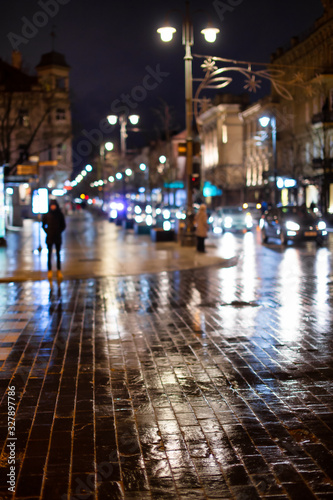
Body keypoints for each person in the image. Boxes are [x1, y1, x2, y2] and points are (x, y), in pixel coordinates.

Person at [42, 199, 66, 280]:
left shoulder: (60, 215)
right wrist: (47, 232)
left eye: (54, 205)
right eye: (51, 205)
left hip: (57, 237)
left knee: (58, 254)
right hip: (49, 237)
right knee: (49, 255)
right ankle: (49, 271)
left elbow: (63, 225)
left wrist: (59, 231)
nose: (53, 207)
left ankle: (59, 270)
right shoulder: (46, 215)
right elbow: (43, 225)